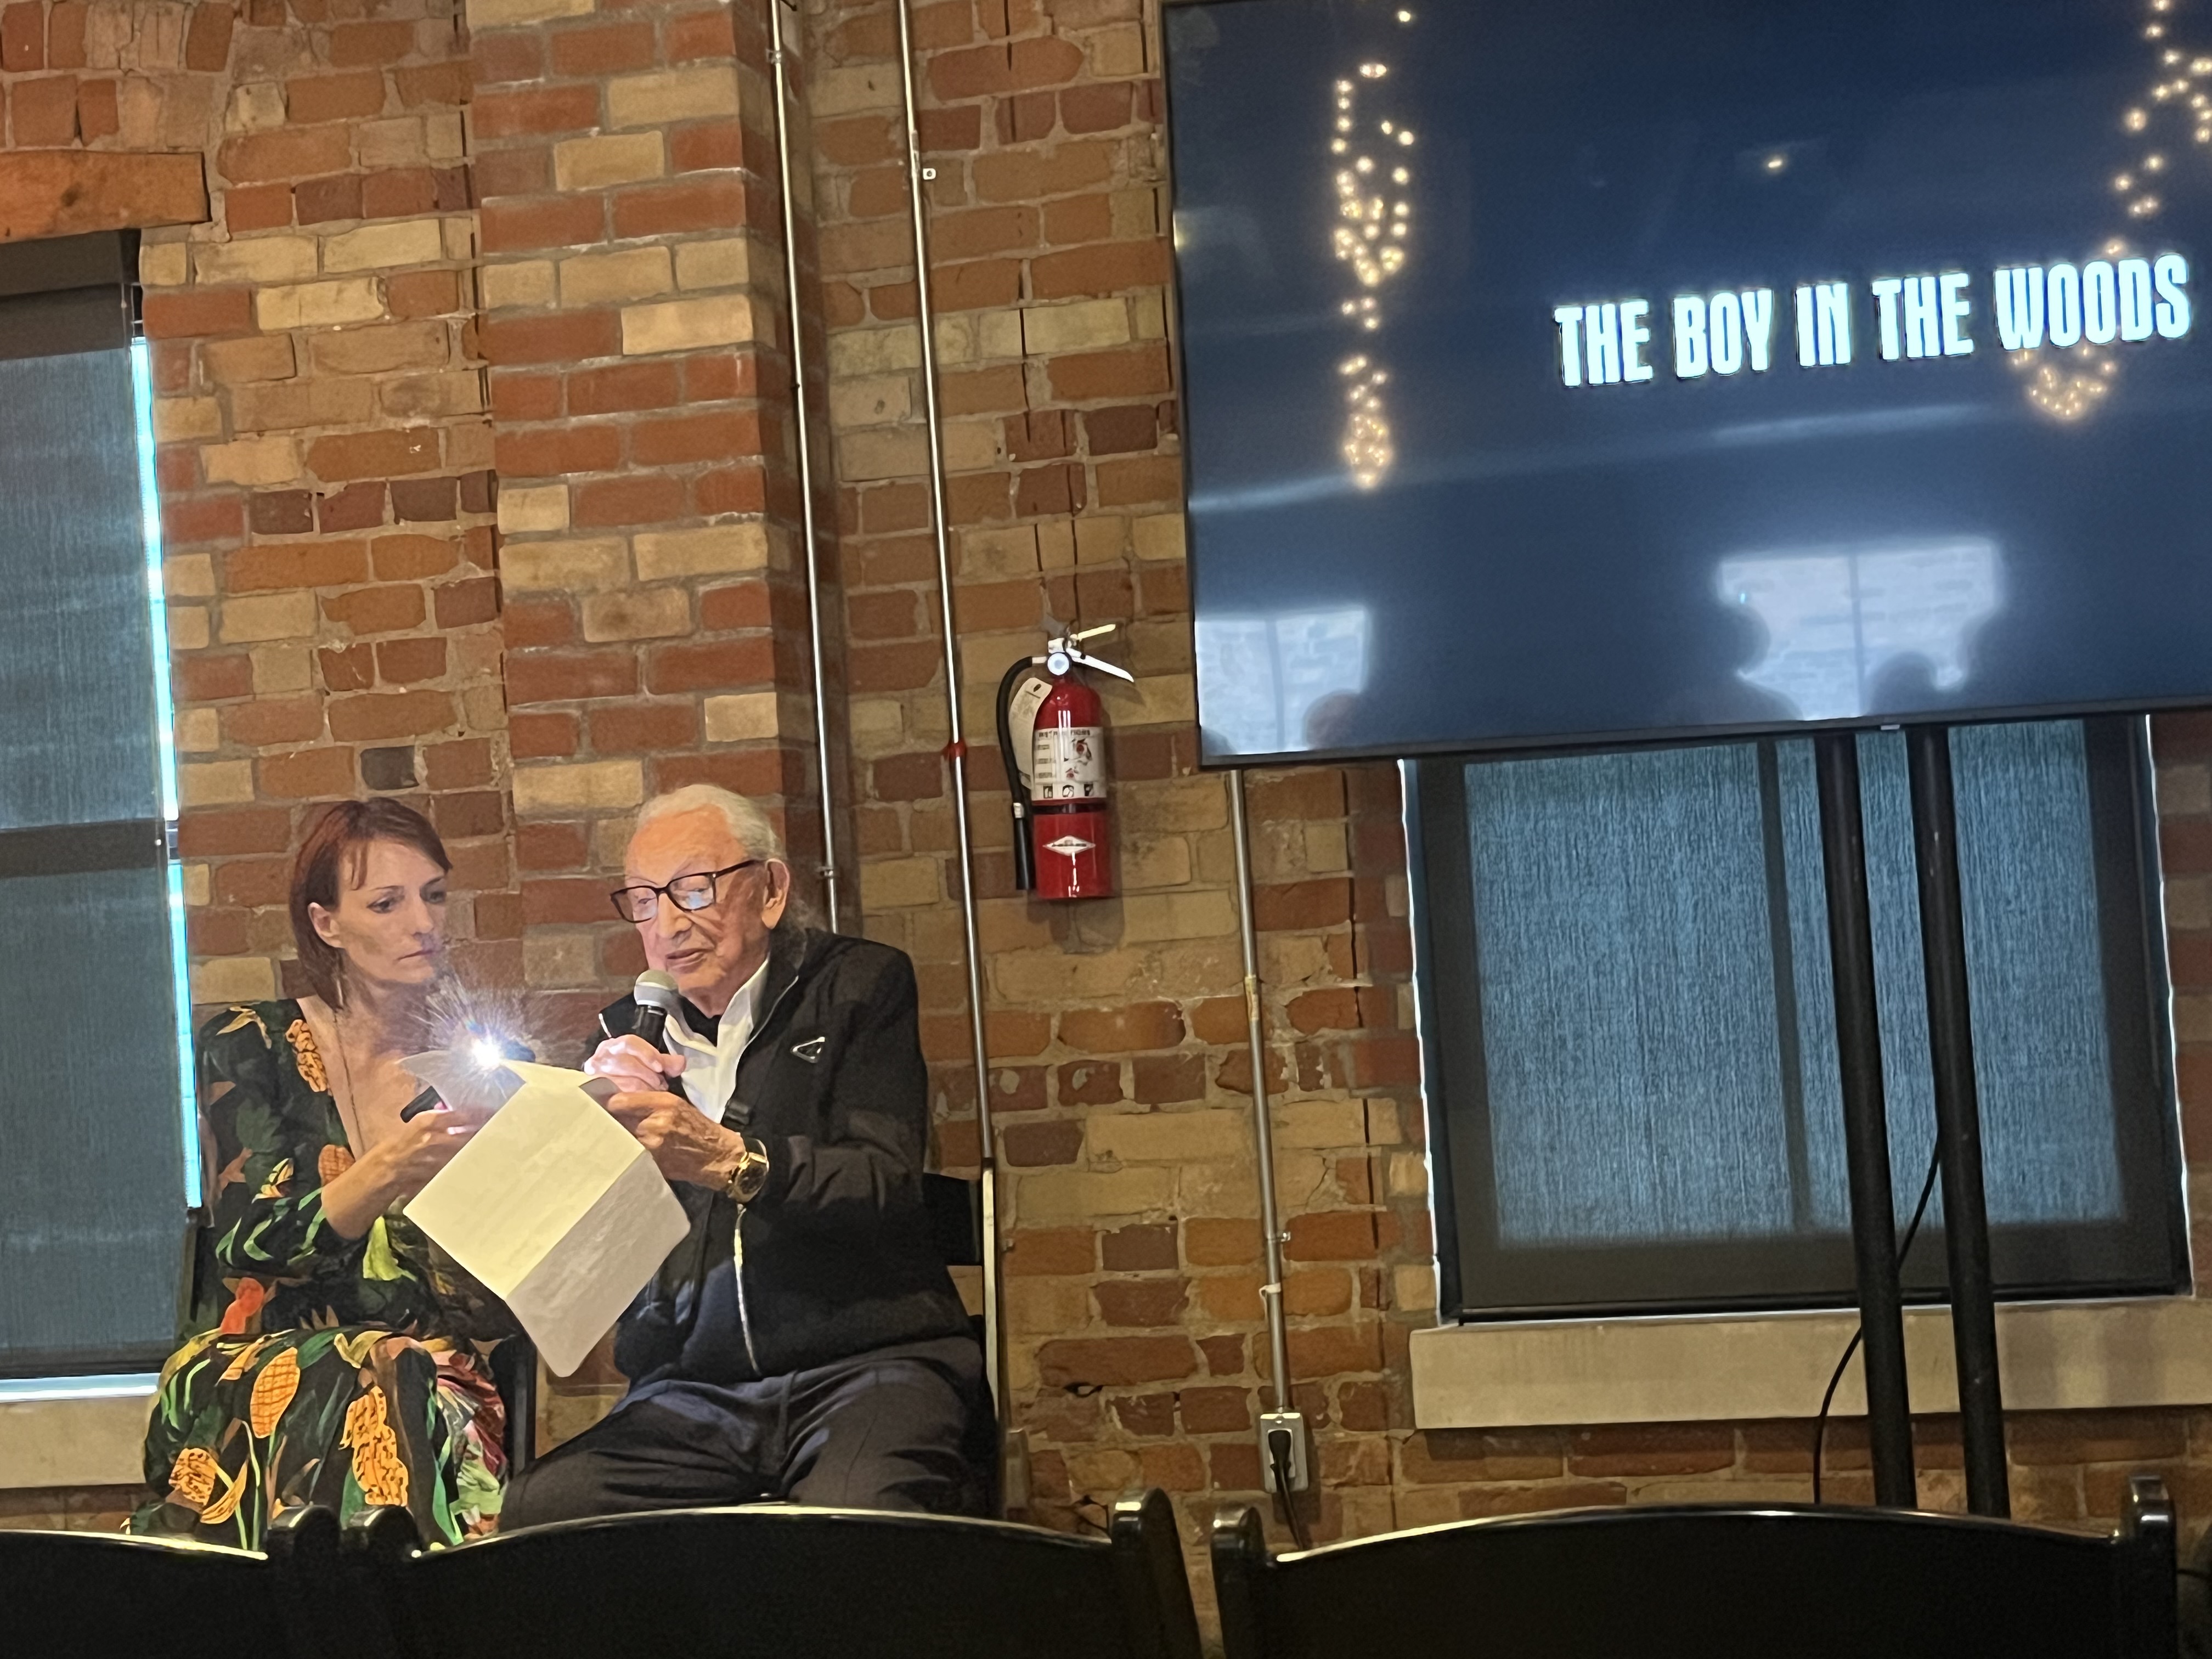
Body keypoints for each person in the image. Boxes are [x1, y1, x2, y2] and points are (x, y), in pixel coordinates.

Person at [499, 784, 986, 1525]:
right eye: (643, 901)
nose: (668, 924)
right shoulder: (624, 1041)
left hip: (868, 1366)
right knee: (543, 1512)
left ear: (771, 890)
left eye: (694, 890)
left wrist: (729, 1159)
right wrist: (584, 1155)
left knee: (851, 1522)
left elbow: (884, 1180)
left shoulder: (858, 987)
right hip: (692, 1391)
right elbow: (593, 1272)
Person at [133, 800, 513, 1549]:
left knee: (402, 1374)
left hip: (426, 1372)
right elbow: (251, 1243)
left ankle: (351, 1600)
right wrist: (391, 1167)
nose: (423, 923)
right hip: (252, 1364)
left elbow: (489, 1313)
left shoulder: (478, 1070)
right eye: (387, 903)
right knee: (377, 1373)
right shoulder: (251, 1043)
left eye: (434, 895)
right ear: (327, 923)